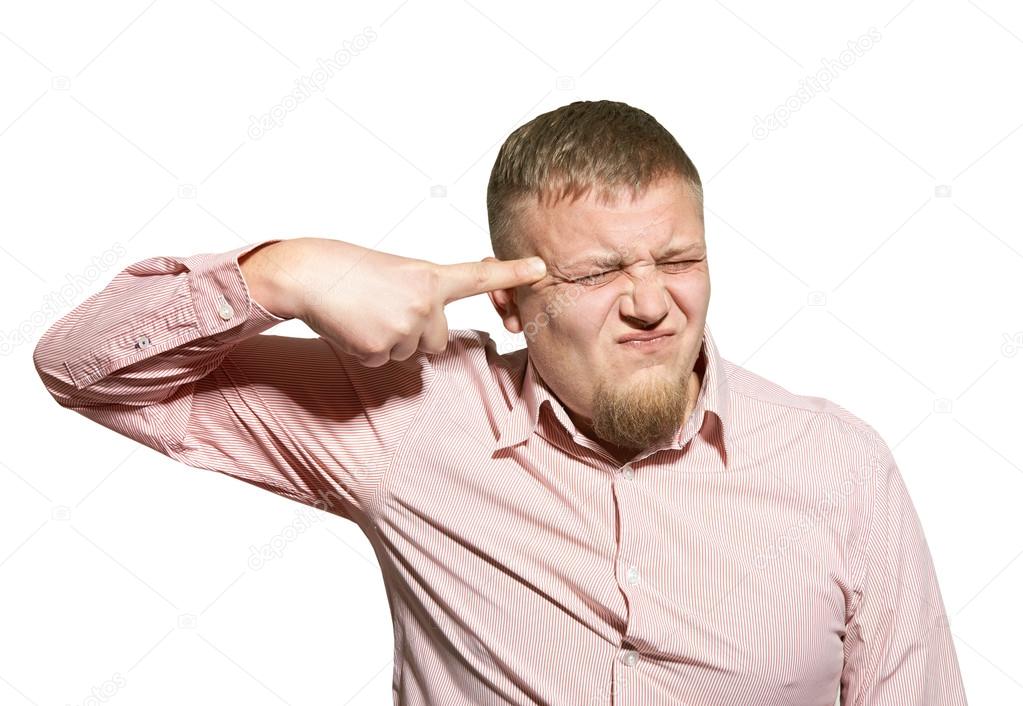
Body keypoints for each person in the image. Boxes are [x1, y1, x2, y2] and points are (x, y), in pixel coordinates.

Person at [33, 99, 968, 705]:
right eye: (598, 271)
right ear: (509, 303)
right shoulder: (410, 417)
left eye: (678, 260)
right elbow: (86, 368)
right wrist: (284, 272)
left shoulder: (837, 465)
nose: (651, 303)